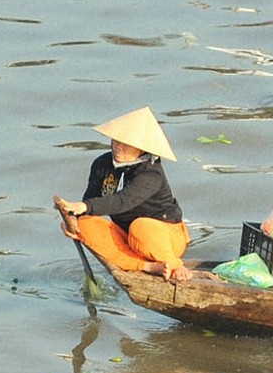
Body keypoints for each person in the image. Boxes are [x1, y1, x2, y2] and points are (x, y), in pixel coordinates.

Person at [53, 106, 192, 282]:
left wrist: (84, 206)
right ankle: (147, 266)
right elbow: (91, 202)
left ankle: (173, 264)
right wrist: (73, 218)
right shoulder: (102, 164)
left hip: (161, 238)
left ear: (141, 148)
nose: (119, 147)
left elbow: (123, 201)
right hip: (127, 236)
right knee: (85, 224)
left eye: (126, 144)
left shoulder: (150, 173)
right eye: (116, 141)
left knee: (141, 227)